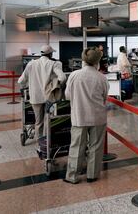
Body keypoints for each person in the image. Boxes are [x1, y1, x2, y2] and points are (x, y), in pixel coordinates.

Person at [64, 46, 109, 184]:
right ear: (97, 61)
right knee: (95, 146)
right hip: (98, 117)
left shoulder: (74, 75)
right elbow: (104, 97)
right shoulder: (102, 77)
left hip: (79, 116)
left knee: (77, 146)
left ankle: (72, 176)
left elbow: (67, 96)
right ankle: (92, 175)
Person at [18, 45, 66, 145]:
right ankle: (48, 142)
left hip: (35, 97)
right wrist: (58, 86)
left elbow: (21, 80)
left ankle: (40, 143)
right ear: (51, 54)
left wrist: (25, 86)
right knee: (49, 120)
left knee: (38, 122)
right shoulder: (54, 63)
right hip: (50, 98)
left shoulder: (31, 64)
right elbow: (62, 77)